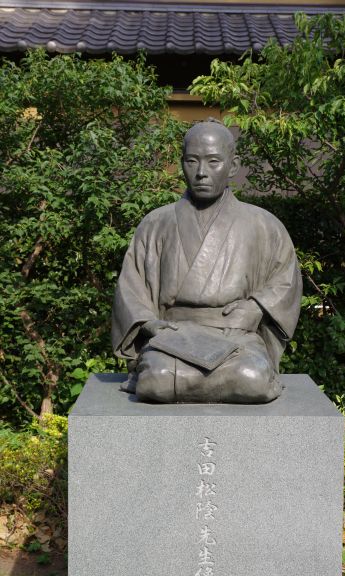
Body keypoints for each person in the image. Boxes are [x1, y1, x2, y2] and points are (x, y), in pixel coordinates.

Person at [111, 119, 302, 403]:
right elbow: (131, 285)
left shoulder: (263, 224)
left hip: (235, 336)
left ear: (233, 166)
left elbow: (285, 279)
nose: (201, 173)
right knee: (156, 382)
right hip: (173, 337)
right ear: (182, 164)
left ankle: (216, 379)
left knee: (252, 379)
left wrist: (256, 306)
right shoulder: (156, 223)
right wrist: (151, 324)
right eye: (192, 161)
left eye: (213, 161)